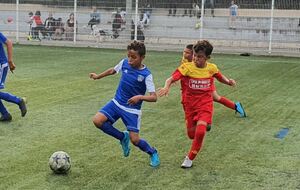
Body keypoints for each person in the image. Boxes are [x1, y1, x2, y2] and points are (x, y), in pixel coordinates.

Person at [158, 40, 237, 168]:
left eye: (200, 56)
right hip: (190, 105)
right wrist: (166, 86)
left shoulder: (211, 68)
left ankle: (189, 158)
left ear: (207, 58)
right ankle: (201, 123)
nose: (195, 58)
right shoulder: (187, 67)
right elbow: (171, 78)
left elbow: (220, 76)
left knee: (200, 132)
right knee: (191, 135)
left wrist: (229, 82)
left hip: (205, 104)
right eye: (195, 55)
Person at [89, 41, 160, 167]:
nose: (130, 59)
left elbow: (154, 97)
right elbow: (112, 70)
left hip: (132, 110)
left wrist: (140, 97)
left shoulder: (146, 75)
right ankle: (122, 137)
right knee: (97, 120)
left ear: (142, 57)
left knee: (135, 140)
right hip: (116, 103)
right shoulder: (124, 63)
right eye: (129, 56)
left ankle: (152, 152)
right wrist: (97, 76)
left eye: (134, 57)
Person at [180, 44, 246, 117]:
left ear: (193, 54)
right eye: (184, 52)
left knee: (215, 98)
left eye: (187, 53)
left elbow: (217, 74)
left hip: (205, 83)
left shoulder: (200, 61)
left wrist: (228, 82)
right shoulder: (185, 60)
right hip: (195, 84)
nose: (184, 54)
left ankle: (236, 106)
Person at [0, 32, 27, 122]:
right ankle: (5, 114)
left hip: (1, 65)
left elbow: (9, 43)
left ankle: (18, 101)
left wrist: (10, 61)